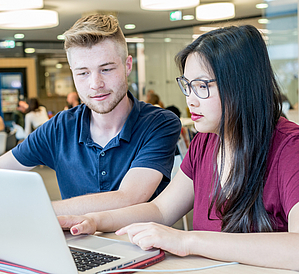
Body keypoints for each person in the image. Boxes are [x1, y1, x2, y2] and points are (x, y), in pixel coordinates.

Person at [57, 25, 299, 271]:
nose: (190, 99)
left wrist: (187, 240)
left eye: (203, 86)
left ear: (242, 85)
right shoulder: (206, 142)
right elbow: (161, 210)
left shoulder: (290, 148)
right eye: (187, 85)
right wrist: (93, 220)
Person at [0, 14, 180, 215]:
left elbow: (129, 198)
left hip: (142, 252)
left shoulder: (159, 123)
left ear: (127, 66)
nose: (95, 84)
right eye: (82, 73)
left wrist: (39, 211)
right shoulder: (61, 126)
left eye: (106, 69)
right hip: (74, 247)